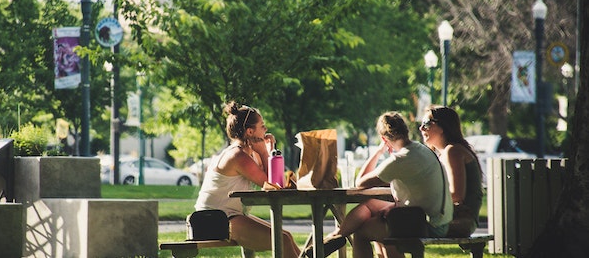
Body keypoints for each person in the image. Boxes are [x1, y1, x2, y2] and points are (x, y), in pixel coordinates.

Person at [305, 111, 452, 258]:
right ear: (405, 130)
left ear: (384, 138)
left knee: (361, 232)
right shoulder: (421, 149)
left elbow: (360, 182)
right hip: (436, 218)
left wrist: (378, 152)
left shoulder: (400, 160)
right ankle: (335, 237)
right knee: (370, 205)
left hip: (427, 224)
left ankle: (333, 239)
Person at [194, 101, 301, 257]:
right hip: (212, 220)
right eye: (262, 126)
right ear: (250, 132)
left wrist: (267, 151)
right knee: (282, 240)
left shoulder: (248, 154)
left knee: (286, 237)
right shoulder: (237, 156)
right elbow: (271, 184)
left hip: (227, 216)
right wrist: (264, 152)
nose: (265, 129)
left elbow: (274, 182)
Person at [420, 105, 484, 237]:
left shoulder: (452, 151)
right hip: (452, 217)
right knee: (387, 225)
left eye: (426, 123)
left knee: (398, 228)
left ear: (443, 127)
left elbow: (457, 196)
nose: (421, 128)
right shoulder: (444, 153)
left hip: (462, 220)